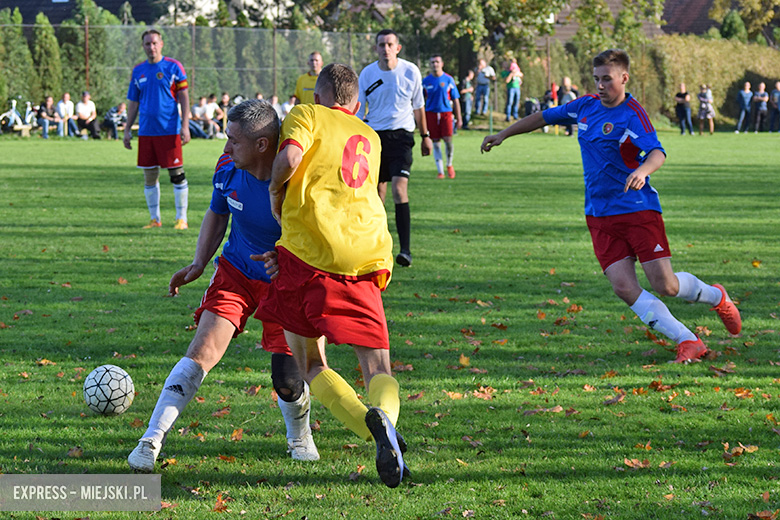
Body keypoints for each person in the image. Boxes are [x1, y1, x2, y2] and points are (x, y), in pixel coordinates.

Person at [481, 48, 742, 364]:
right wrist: (503, 134)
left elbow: (657, 152)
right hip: (600, 215)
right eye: (596, 79)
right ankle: (688, 340)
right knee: (623, 287)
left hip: (637, 210)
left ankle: (718, 296)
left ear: (623, 78)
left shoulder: (633, 114)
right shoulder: (585, 107)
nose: (601, 85)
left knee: (666, 285)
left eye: (607, 79)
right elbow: (542, 117)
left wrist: (642, 171)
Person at [127, 100, 319, 472]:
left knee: (286, 381)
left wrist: (293, 260)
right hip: (236, 274)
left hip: (287, 284)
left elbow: (325, 235)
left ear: (263, 145)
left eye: (234, 140)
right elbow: (219, 210)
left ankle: (299, 434)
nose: (225, 146)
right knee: (200, 352)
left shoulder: (301, 180)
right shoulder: (227, 167)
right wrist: (199, 262)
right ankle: (151, 439)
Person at [257, 63, 408, 488]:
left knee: (309, 363)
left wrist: (274, 191)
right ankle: (387, 427)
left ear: (318, 97)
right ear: (356, 104)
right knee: (377, 366)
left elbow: (289, 157)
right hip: (365, 255)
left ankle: (370, 428)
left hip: (308, 253)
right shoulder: (372, 136)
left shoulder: (306, 114)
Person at [358, 29, 432, 267]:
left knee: (399, 190)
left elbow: (418, 106)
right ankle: (379, 246)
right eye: (381, 44)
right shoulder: (367, 74)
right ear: (376, 48)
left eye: (390, 44)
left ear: (398, 48)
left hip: (402, 136)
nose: (385, 48)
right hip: (374, 138)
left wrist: (425, 136)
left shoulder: (410, 71)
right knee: (376, 194)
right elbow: (359, 111)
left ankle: (406, 251)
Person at [124, 29, 191, 230]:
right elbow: (133, 102)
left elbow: (184, 97)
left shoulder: (173, 67)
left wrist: (185, 126)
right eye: (147, 44)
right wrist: (127, 129)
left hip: (169, 130)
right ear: (143, 46)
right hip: (146, 132)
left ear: (161, 44)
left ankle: (182, 219)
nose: (151, 47)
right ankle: (155, 219)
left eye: (154, 43)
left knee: (176, 174)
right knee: (149, 176)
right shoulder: (138, 71)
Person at [423, 54, 462, 179]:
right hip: (431, 114)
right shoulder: (426, 81)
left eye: (437, 62)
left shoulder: (448, 80)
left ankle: (449, 165)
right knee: (435, 142)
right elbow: (421, 101)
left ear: (442, 64)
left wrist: (459, 118)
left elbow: (456, 99)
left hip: (446, 113)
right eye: (433, 62)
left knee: (448, 140)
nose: (435, 64)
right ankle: (440, 171)